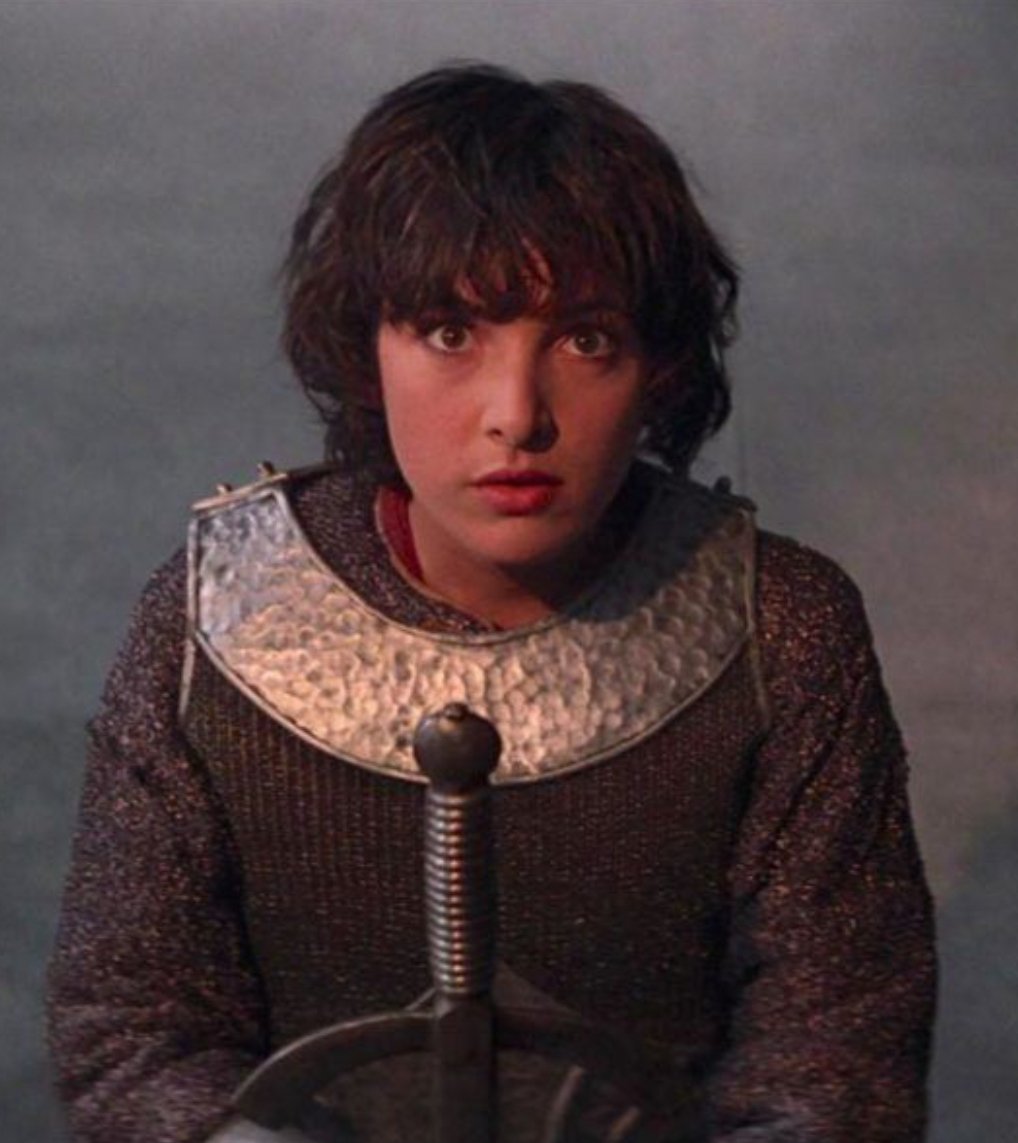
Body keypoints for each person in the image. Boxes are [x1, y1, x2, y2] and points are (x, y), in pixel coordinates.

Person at [47, 64, 936, 1143]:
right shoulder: (217, 611)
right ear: (366, 352)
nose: (517, 414)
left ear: (656, 366)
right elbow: (132, 1033)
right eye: (450, 333)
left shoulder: (781, 627)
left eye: (585, 339)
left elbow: (834, 1062)